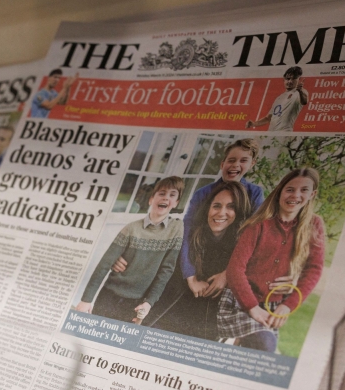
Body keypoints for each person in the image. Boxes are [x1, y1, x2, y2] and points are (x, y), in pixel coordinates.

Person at [219, 167, 326, 352]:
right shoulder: (259, 225)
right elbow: (235, 269)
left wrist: (288, 305)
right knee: (265, 345)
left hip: (273, 304)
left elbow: (314, 269)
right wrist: (252, 307)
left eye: (304, 190)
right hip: (239, 301)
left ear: (312, 194)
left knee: (262, 349)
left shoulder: (314, 225)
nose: (295, 195)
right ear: (280, 191)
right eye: (290, 189)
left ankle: (237, 346)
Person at [146, 182, 252, 339]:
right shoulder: (187, 235)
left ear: (239, 212)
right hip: (170, 310)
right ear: (208, 208)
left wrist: (228, 275)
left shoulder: (242, 247)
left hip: (204, 323)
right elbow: (153, 253)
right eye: (216, 206)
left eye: (231, 207)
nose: (221, 213)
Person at [75, 177, 184, 324]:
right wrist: (86, 300)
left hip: (137, 302)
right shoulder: (131, 228)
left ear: (176, 203)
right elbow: (105, 263)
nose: (166, 197)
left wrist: (149, 302)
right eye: (162, 193)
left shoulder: (176, 229)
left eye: (172, 195)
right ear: (151, 199)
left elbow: (166, 270)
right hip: (109, 294)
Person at [179, 139, 265, 299]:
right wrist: (191, 277)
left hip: (232, 264)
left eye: (243, 161)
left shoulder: (255, 194)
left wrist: (227, 274)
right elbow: (186, 233)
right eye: (231, 160)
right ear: (222, 163)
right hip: (199, 261)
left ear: (252, 164)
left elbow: (253, 238)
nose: (235, 165)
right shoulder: (202, 194)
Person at [246, 66, 307, 132]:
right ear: (284, 80)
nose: (290, 81)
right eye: (288, 79)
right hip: (271, 132)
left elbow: (304, 101)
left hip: (285, 131)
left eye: (293, 79)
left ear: (299, 80)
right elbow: (268, 118)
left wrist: (300, 91)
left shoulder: (299, 93)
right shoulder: (279, 98)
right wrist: (254, 124)